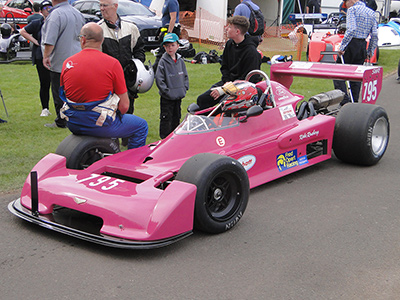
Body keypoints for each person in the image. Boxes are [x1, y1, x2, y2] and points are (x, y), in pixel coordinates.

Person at [60, 22, 148, 150]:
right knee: (141, 126)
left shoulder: (68, 63)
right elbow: (124, 106)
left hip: (73, 122)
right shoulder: (112, 63)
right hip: (100, 123)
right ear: (101, 41)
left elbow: (64, 94)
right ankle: (132, 162)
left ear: (83, 39)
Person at [196, 15, 262, 110]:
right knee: (203, 99)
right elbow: (224, 66)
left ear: (237, 31)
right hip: (227, 83)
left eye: (230, 27)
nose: (226, 29)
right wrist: (226, 85)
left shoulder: (251, 52)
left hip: (244, 89)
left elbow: (249, 80)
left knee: (223, 104)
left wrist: (226, 89)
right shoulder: (229, 44)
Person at [41, 0, 85, 128]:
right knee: (76, 92)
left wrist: (46, 56)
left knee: (59, 92)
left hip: (61, 61)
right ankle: (77, 117)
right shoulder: (77, 13)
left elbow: (50, 39)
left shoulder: (55, 15)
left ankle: (61, 120)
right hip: (77, 59)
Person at [98, 0, 146, 115]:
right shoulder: (98, 30)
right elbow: (95, 58)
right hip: (107, 81)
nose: (102, 9)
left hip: (127, 80)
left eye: (105, 5)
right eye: (100, 5)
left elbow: (139, 50)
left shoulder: (131, 27)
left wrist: (135, 69)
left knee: (128, 111)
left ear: (115, 6)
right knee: (109, 113)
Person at [334, 0, 378, 105]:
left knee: (337, 73)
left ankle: (344, 100)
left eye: (346, 4)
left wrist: (342, 46)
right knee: (356, 75)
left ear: (351, 1)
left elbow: (351, 29)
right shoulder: (371, 12)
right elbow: (375, 34)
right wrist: (370, 50)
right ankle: (354, 102)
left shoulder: (352, 10)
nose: (346, 7)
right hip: (362, 44)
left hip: (351, 43)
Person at [20, 0, 52, 117]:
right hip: (41, 56)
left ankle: (62, 108)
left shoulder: (56, 22)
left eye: (49, 8)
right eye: (45, 8)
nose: (48, 11)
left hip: (56, 55)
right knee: (44, 83)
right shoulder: (37, 23)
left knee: (58, 83)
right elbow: (23, 31)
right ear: (41, 10)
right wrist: (36, 42)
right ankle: (45, 108)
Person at [155, 33, 189, 139]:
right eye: (167, 46)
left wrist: (184, 88)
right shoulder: (163, 61)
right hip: (167, 97)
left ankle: (175, 137)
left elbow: (185, 75)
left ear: (178, 46)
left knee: (176, 116)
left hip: (178, 95)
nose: (170, 48)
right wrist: (166, 91)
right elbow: (159, 79)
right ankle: (164, 138)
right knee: (166, 117)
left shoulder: (180, 60)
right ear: (164, 47)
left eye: (172, 45)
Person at [153, 0, 180, 72]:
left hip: (171, 29)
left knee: (164, 50)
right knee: (164, 50)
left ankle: (156, 69)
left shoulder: (172, 1)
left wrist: (169, 33)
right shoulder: (166, 1)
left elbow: (173, 18)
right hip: (165, 28)